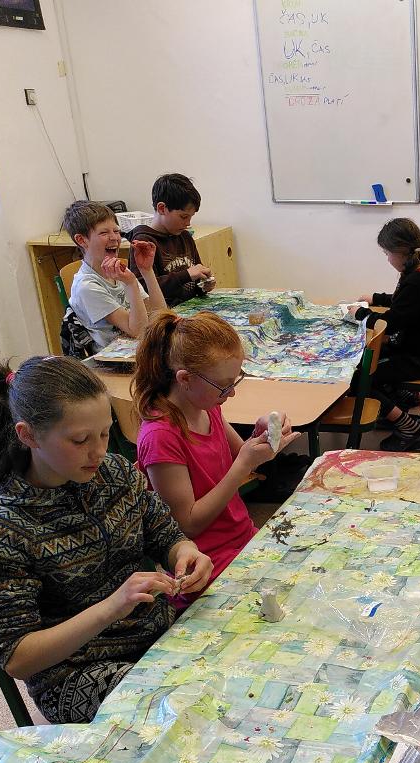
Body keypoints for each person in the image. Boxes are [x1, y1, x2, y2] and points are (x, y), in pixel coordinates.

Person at [0, 356, 212, 723]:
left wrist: (186, 553)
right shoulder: (0, 532)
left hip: (155, 638)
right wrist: (113, 606)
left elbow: (165, 534)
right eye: (80, 440)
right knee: (181, 706)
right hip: (75, 675)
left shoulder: (114, 473)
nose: (99, 452)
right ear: (28, 435)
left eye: (105, 434)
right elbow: (18, 657)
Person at [134, 310, 297, 607]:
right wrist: (244, 465)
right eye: (224, 385)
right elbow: (188, 525)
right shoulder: (160, 436)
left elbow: (242, 452)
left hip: (242, 538)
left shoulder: (206, 405)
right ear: (185, 379)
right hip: (203, 563)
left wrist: (263, 434)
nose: (231, 393)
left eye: (235, 381)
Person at [354, 218, 420, 451]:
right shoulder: (419, 272)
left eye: (387, 253)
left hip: (416, 359)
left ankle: (408, 426)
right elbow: (402, 303)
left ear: (400, 252)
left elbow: (390, 324)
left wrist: (360, 314)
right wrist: (376, 298)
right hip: (417, 351)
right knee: (365, 361)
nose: (387, 258)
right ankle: (400, 400)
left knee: (359, 377)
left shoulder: (415, 281)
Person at [64, 200, 168, 349]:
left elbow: (161, 315)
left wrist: (147, 271)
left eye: (117, 231)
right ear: (82, 240)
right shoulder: (87, 286)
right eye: (104, 233)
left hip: (138, 348)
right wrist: (131, 284)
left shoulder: (119, 273)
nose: (114, 238)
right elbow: (138, 331)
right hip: (113, 358)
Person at [129, 173, 216, 307]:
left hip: (192, 309)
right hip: (165, 314)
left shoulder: (185, 237)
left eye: (191, 217)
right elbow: (143, 290)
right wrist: (186, 275)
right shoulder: (143, 242)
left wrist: (204, 285)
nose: (188, 223)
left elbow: (195, 281)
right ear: (162, 208)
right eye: (183, 217)